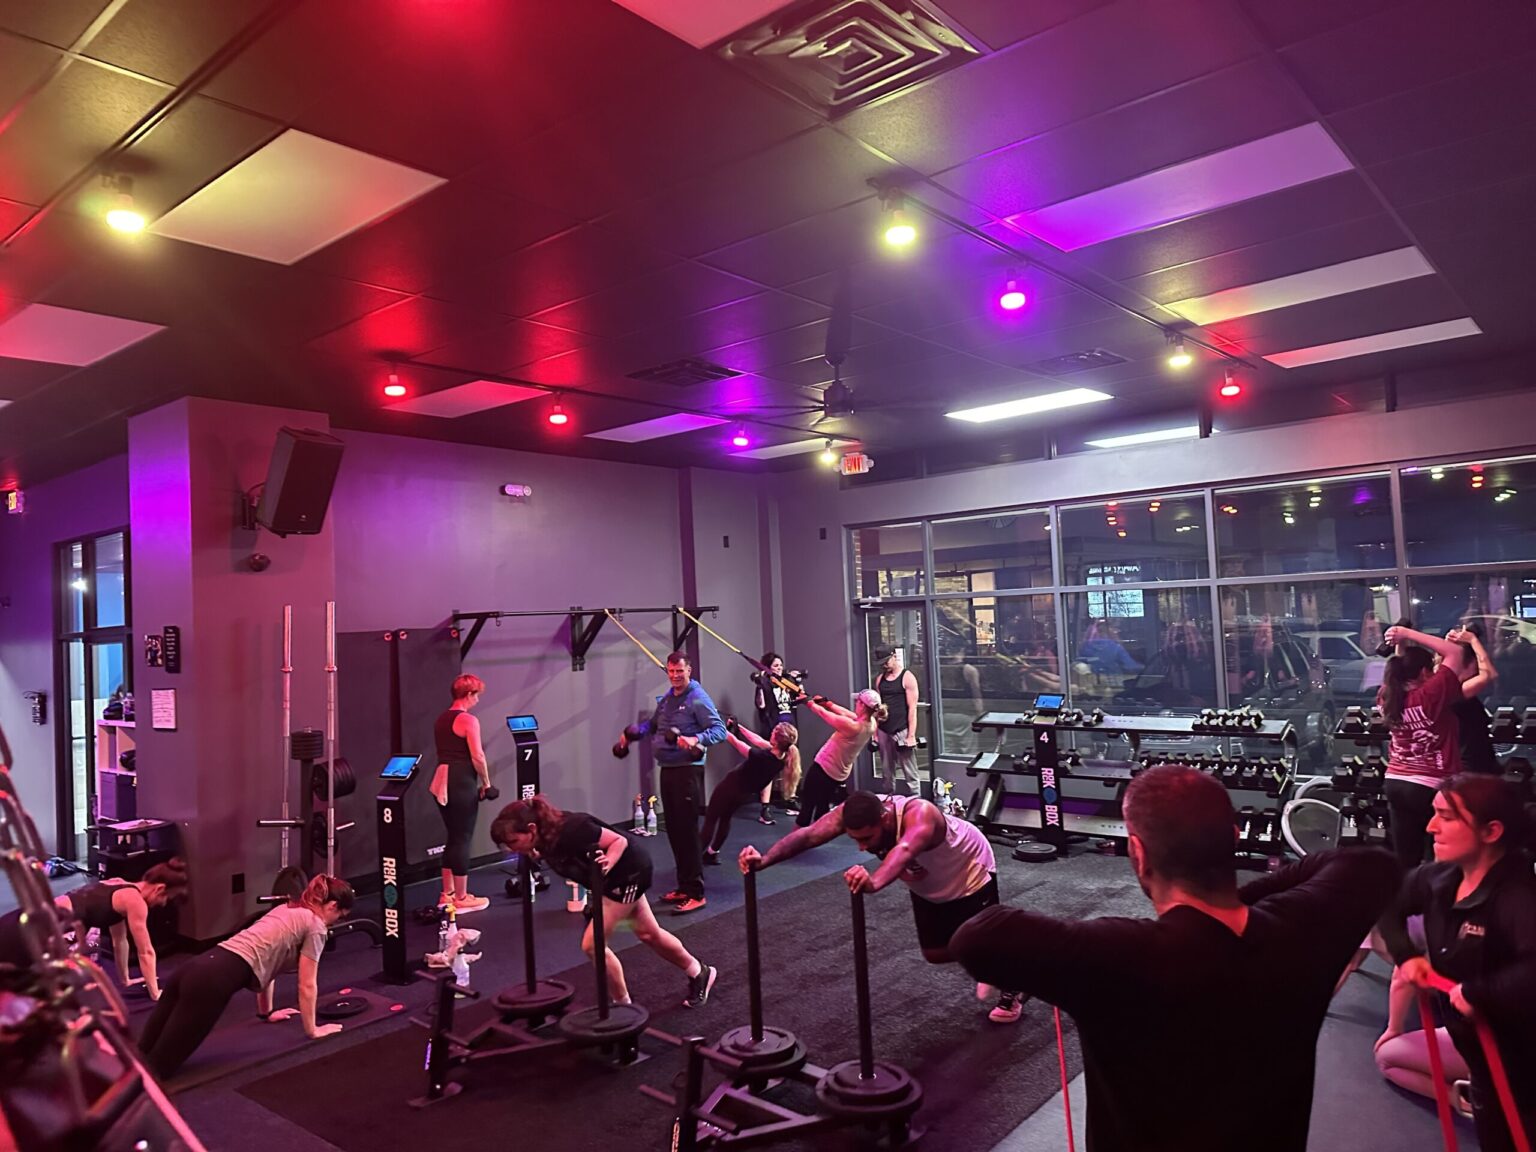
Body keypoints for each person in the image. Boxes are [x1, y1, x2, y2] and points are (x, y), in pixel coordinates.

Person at [950, 765, 1399, 1152]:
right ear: (1234, 838)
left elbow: (978, 937)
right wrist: (1242, 906)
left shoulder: (1115, 956)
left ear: (1138, 853)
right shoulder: (1300, 932)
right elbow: (1369, 864)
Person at [739, 789, 1026, 1023]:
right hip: (925, 879)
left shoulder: (920, 814)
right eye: (856, 840)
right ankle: (986, 959)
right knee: (935, 953)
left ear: (885, 818)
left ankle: (1014, 978)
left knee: (976, 942)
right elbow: (810, 835)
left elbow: (904, 850)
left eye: (867, 839)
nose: (862, 847)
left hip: (968, 870)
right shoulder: (851, 812)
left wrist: (874, 883)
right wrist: (765, 860)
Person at [1378, 775, 1536, 1152]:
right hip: (1480, 1053)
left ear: (1491, 831)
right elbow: (1388, 907)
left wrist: (1479, 992)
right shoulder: (1440, 877)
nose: (1430, 827)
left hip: (1524, 1061)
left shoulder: (1518, 897)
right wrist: (1407, 956)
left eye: (1446, 817)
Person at [491, 797, 716, 1008]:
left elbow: (619, 841)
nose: (512, 849)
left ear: (531, 829)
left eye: (513, 841)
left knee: (593, 945)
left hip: (628, 874)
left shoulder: (574, 829)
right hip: (612, 881)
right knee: (649, 934)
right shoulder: (543, 838)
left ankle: (622, 1006)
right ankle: (699, 971)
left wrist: (608, 860)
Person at [138, 874, 353, 1079]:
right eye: (339, 916)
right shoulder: (316, 926)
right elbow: (307, 984)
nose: (334, 922)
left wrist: (266, 1013)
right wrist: (313, 1030)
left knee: (140, 1054)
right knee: (158, 1070)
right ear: (332, 906)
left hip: (191, 969)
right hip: (210, 982)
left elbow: (267, 965)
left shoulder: (286, 909)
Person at [614, 652, 726, 915]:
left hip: (688, 771)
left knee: (687, 832)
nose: (675, 676)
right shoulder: (668, 698)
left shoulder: (697, 697)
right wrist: (632, 734)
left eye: (680, 671)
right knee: (675, 831)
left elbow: (719, 730)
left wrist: (696, 739)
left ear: (689, 671)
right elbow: (654, 726)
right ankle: (684, 886)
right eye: (671, 671)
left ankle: (696, 893)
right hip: (668, 769)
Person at [0, 860, 189, 999]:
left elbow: (119, 941)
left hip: (32, 915)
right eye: (167, 898)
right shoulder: (135, 901)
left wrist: (125, 980)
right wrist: (155, 993)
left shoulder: (119, 884)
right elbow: (145, 951)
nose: (163, 904)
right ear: (159, 889)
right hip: (39, 928)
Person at [1379, 624, 1472, 869]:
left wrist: (1400, 642)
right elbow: (1455, 653)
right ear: (1423, 672)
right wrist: (1406, 634)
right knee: (1436, 858)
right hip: (1430, 785)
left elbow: (1400, 667)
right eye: (1431, 669)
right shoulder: (1429, 695)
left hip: (1395, 781)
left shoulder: (1387, 696)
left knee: (1406, 859)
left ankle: (1408, 894)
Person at [430, 673, 494, 913]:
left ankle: (447, 894)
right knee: (462, 838)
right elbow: (477, 756)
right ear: (469, 694)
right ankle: (462, 897)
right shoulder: (468, 720)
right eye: (477, 695)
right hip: (460, 782)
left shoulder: (441, 719)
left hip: (441, 781)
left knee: (453, 837)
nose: (478, 700)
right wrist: (487, 783)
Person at [702, 721, 799, 864]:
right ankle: (712, 853)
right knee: (725, 819)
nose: (770, 733)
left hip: (728, 788)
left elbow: (736, 743)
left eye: (773, 732)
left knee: (711, 819)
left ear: (776, 739)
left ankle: (694, 858)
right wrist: (739, 727)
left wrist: (721, 729)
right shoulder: (782, 757)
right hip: (741, 794)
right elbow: (757, 740)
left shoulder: (761, 757)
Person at [795, 690, 882, 827]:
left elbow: (824, 714)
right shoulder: (871, 723)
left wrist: (809, 702)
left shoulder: (852, 726)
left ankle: (796, 837)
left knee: (807, 805)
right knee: (822, 806)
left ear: (863, 706)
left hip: (823, 769)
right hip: (838, 774)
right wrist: (828, 703)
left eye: (858, 702)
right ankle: (817, 834)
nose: (856, 704)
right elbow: (847, 714)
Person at [753, 652, 802, 811]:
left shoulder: (786, 683)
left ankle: (790, 798)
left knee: (792, 764)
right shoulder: (766, 685)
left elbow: (799, 698)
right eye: (775, 666)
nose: (779, 668)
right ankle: (765, 805)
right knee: (769, 767)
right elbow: (761, 705)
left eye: (781, 665)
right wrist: (760, 685)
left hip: (790, 729)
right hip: (774, 730)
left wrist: (797, 681)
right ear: (768, 668)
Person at [1448, 624, 1500, 775]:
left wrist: (1448, 644)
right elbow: (1489, 674)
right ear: (1470, 664)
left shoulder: (1447, 689)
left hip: (1479, 762)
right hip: (1468, 766)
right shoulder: (1456, 692)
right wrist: (1473, 640)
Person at [872, 648, 921, 796]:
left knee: (910, 771)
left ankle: (916, 801)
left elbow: (912, 708)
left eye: (886, 661)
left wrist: (911, 735)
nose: (884, 665)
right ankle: (889, 800)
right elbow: (878, 708)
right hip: (884, 730)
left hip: (902, 730)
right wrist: (875, 733)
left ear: (894, 656)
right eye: (881, 663)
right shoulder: (880, 680)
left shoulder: (907, 677)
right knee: (886, 770)